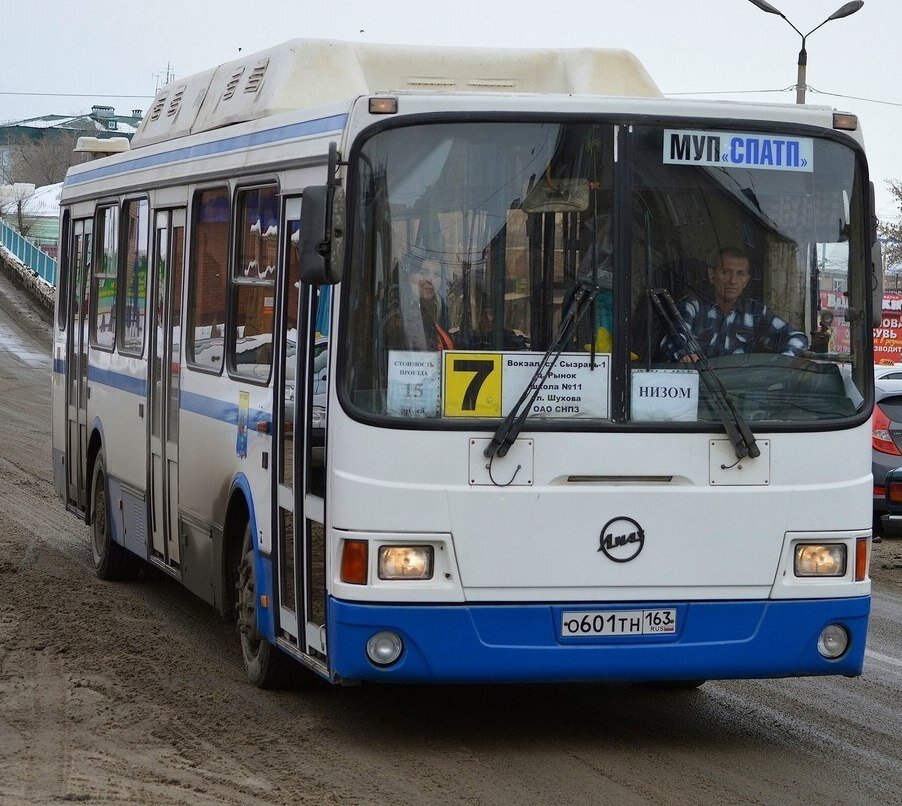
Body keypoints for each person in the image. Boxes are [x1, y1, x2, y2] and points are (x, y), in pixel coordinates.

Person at [663, 246, 808, 363]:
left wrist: (780, 364)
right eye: (726, 272)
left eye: (740, 274)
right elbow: (673, 339)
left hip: (737, 392)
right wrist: (685, 355)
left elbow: (798, 338)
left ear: (746, 280)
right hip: (698, 389)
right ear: (712, 275)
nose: (733, 281)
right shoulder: (692, 306)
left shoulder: (755, 312)